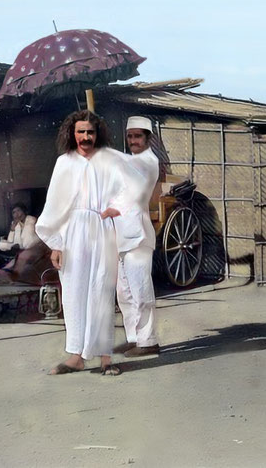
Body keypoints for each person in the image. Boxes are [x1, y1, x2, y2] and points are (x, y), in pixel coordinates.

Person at [35, 109, 138, 376]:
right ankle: (76, 356)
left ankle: (106, 359)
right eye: (80, 132)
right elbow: (55, 206)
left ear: (97, 134)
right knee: (74, 292)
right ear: (73, 133)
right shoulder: (64, 163)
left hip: (103, 229)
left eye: (90, 132)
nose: (85, 137)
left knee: (102, 292)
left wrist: (114, 210)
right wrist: (56, 244)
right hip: (73, 233)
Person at [113, 116, 161, 356]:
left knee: (141, 291)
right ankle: (134, 337)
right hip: (121, 237)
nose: (133, 141)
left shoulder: (149, 162)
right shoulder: (131, 161)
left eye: (137, 136)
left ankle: (149, 341)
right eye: (130, 136)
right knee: (124, 292)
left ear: (147, 138)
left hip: (139, 236)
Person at [0, 203, 41, 268]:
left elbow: (28, 236)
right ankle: (20, 249)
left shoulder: (31, 219)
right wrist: (12, 230)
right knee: (0, 244)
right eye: (14, 212)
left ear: (24, 211)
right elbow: (10, 240)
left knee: (28, 230)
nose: (17, 214)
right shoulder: (14, 223)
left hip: (32, 245)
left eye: (18, 211)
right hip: (19, 245)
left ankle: (22, 250)